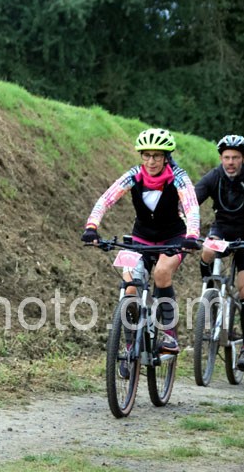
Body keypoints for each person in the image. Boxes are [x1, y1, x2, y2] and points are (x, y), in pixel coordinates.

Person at [81, 128, 201, 355]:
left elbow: (191, 207)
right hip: (141, 238)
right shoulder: (134, 175)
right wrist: (91, 227)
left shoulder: (178, 177)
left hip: (173, 239)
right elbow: (106, 199)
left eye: (156, 156)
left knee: (161, 273)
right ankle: (130, 349)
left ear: (166, 157)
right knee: (130, 289)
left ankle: (170, 335)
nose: (151, 161)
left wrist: (192, 235)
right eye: (146, 155)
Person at [194, 134, 244, 370]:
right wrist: (181, 215)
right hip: (222, 230)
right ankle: (209, 289)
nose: (230, 162)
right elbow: (192, 199)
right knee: (207, 250)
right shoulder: (215, 176)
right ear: (221, 158)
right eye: (226, 157)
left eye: (235, 157)